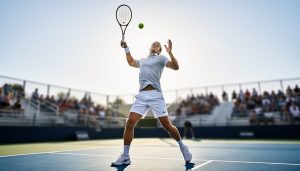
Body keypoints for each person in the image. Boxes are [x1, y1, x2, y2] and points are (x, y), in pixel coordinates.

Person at [111, 40, 192, 166]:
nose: (156, 45)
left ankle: (183, 147)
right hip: (142, 96)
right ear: (150, 47)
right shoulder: (143, 60)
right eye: (154, 43)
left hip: (156, 96)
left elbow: (176, 67)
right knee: (130, 122)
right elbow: (131, 62)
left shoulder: (162, 58)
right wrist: (126, 47)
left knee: (167, 126)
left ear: (160, 49)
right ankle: (125, 156)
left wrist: (170, 53)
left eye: (158, 44)